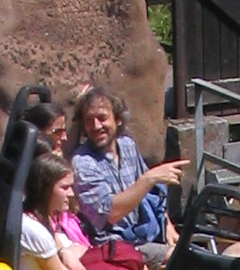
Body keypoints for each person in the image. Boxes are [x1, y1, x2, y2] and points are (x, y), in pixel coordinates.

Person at [18, 153, 146, 270]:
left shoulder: (40, 219)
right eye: (64, 188)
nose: (71, 194)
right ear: (45, 190)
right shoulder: (35, 231)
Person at [69, 85, 182, 249]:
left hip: (143, 235)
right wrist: (148, 179)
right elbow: (111, 214)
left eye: (102, 118)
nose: (96, 126)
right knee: (179, 260)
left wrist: (167, 224)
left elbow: (152, 194)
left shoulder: (127, 146)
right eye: (89, 120)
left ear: (118, 119)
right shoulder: (83, 163)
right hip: (112, 245)